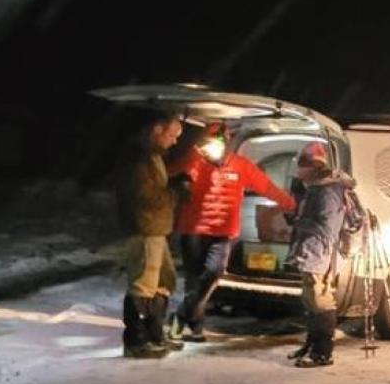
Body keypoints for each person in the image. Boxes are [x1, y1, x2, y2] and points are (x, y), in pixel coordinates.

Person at [167, 122, 296, 342]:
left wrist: (290, 204)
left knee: (213, 273)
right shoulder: (195, 161)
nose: (209, 150)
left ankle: (179, 317)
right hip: (194, 230)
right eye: (205, 145)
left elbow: (266, 186)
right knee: (194, 279)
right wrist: (189, 158)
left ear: (224, 142)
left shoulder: (240, 165)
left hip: (224, 231)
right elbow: (169, 173)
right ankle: (195, 327)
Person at [115, 109, 186, 359]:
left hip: (156, 228)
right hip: (145, 228)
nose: (175, 140)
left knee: (165, 280)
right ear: (157, 129)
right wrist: (176, 191)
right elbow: (145, 197)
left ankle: (155, 333)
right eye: (173, 134)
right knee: (143, 285)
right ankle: (136, 341)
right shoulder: (139, 158)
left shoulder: (152, 155)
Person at [285, 141, 357, 368]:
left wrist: (301, 222)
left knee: (321, 299)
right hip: (312, 248)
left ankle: (323, 353)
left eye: (301, 166)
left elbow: (327, 226)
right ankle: (312, 343)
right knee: (310, 298)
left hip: (320, 251)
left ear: (312, 166)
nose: (298, 171)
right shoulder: (317, 187)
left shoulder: (328, 190)